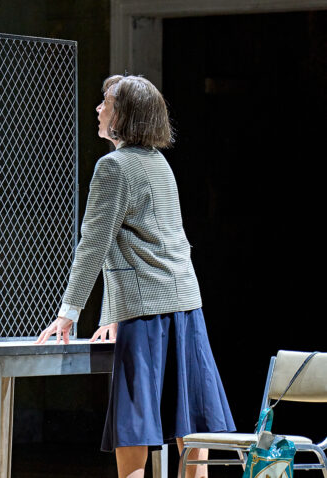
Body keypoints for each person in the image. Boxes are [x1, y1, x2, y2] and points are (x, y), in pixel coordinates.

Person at [35, 75, 235, 478]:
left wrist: (68, 312)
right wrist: (110, 312)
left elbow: (94, 245)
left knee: (135, 422)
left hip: (147, 310)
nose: (98, 108)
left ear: (124, 115)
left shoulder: (113, 168)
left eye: (105, 102)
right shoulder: (158, 164)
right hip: (184, 303)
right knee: (190, 421)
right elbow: (127, 248)